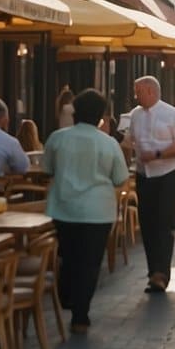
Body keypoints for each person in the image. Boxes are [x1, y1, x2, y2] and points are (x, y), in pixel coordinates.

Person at [44, 89, 129, 333]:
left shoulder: (57, 138)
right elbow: (120, 178)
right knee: (91, 262)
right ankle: (81, 314)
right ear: (101, 117)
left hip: (64, 208)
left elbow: (47, 169)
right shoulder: (109, 143)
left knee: (69, 256)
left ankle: (68, 295)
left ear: (76, 113)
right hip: (98, 211)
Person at [125, 76, 175, 292]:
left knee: (162, 222)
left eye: (139, 92)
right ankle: (152, 270)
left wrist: (158, 154)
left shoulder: (172, 114)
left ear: (151, 92)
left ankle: (161, 274)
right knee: (147, 224)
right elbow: (129, 140)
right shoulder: (135, 115)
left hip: (167, 173)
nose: (135, 96)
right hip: (145, 175)